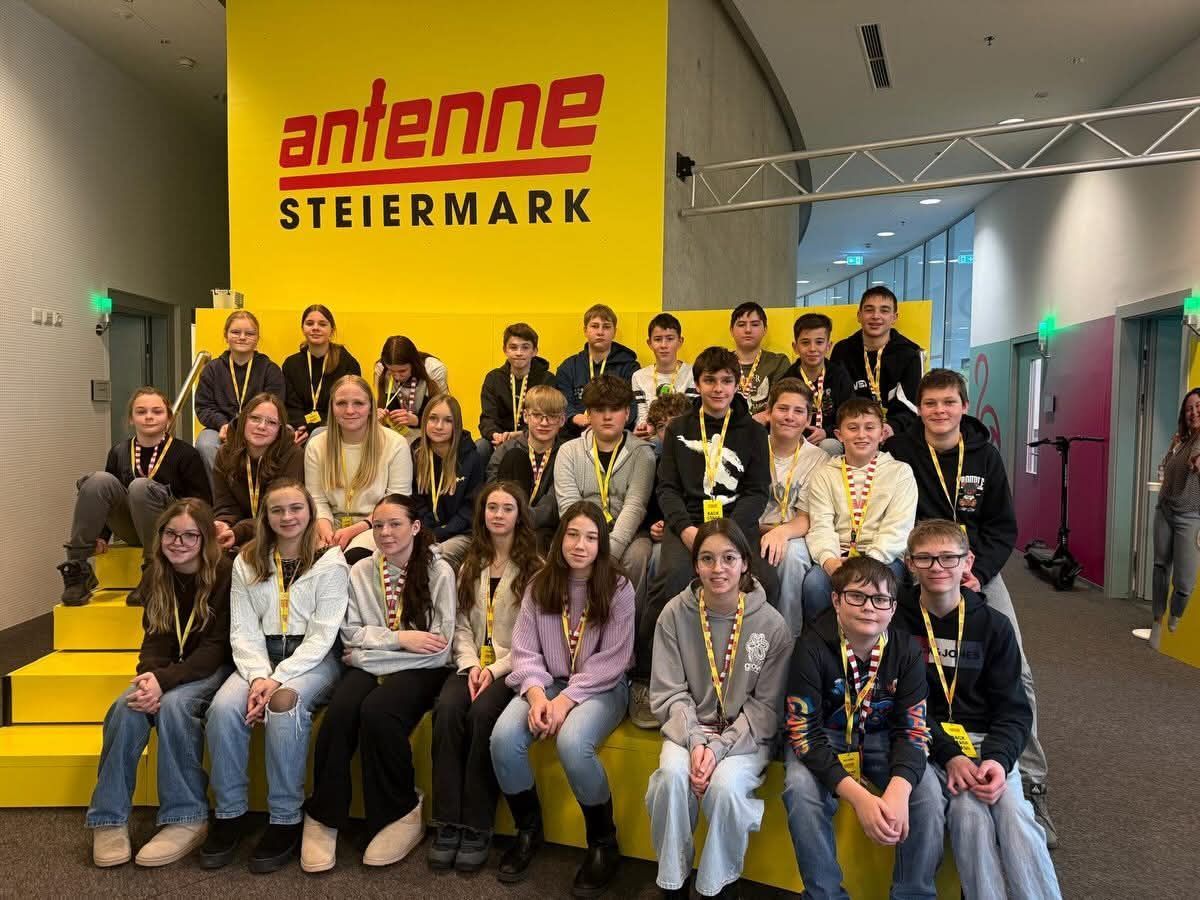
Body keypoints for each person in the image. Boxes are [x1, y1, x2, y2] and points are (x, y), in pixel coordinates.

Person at [886, 368, 1056, 848]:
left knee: (1016, 664)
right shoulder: (899, 453)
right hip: (917, 565)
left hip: (976, 568)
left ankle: (1029, 777)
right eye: (931, 403)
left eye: (948, 402)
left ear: (964, 406)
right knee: (895, 649)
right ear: (919, 409)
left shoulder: (986, 456)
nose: (939, 411)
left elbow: (1003, 527)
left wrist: (978, 573)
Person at [898, 521, 1061, 899]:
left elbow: (1015, 711)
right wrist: (951, 755)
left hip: (988, 745)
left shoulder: (994, 626)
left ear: (967, 561)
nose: (937, 567)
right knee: (968, 816)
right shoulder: (899, 624)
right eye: (925, 558)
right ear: (910, 564)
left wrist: (998, 761)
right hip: (931, 743)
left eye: (949, 557)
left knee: (1015, 816)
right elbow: (904, 705)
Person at [301, 494, 456, 871]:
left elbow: (439, 647)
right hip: (383, 661)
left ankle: (400, 810)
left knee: (378, 712)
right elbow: (350, 635)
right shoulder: (360, 571)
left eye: (396, 524)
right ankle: (323, 815)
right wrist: (401, 639)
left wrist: (372, 650)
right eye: (379, 525)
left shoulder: (439, 571)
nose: (386, 533)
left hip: (423, 670)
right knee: (340, 713)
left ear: (416, 528)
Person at [202, 479, 349, 873]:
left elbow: (323, 634)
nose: (287, 517)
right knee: (221, 709)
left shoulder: (330, 560)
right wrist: (257, 677)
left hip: (312, 658)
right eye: (277, 510)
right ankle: (230, 814)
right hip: (259, 657)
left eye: (296, 509)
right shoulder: (247, 560)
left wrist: (277, 679)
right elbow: (243, 630)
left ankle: (285, 818)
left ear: (309, 512)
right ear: (265, 516)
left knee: (284, 704)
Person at [490, 501, 635, 895]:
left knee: (573, 743)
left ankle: (604, 842)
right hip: (547, 683)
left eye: (590, 537)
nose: (579, 544)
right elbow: (524, 650)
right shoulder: (540, 583)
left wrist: (563, 702)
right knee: (503, 739)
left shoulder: (618, 587)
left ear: (601, 544)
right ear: (559, 539)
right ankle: (527, 830)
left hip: (600, 687)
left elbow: (613, 661)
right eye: (572, 534)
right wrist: (537, 694)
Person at [644, 519, 791, 899]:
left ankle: (717, 885)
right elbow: (669, 691)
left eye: (728, 558)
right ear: (695, 566)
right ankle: (673, 882)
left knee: (725, 788)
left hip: (744, 736)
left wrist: (718, 747)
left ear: (745, 562)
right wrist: (696, 742)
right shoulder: (674, 615)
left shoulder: (771, 625)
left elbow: (765, 707)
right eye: (707, 559)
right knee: (670, 778)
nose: (717, 568)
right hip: (687, 728)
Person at [782, 556, 942, 900]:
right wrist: (860, 798)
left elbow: (913, 729)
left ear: (893, 607)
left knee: (927, 791)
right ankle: (825, 895)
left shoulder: (907, 652)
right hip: (825, 737)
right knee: (799, 788)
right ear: (836, 600)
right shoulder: (810, 647)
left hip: (883, 737)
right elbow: (802, 733)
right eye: (857, 596)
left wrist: (898, 791)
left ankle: (913, 894)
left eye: (880, 599)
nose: (869, 608)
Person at [631, 347, 775, 729]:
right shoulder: (679, 428)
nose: (718, 388)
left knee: (767, 582)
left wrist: (728, 537)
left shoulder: (754, 432)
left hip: (735, 530)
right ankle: (645, 677)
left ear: (736, 384)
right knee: (671, 579)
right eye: (710, 380)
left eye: (726, 380)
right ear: (698, 384)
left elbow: (758, 491)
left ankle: (754, 682)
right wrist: (689, 531)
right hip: (690, 527)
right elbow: (667, 489)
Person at [86, 499, 233, 868]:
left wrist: (164, 682)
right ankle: (109, 818)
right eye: (170, 533)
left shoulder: (225, 573)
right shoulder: (156, 573)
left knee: (175, 705)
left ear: (204, 539)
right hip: (170, 668)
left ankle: (187, 816)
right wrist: (149, 678)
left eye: (189, 535)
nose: (178, 542)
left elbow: (216, 647)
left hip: (213, 667)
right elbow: (154, 638)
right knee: (126, 705)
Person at [427, 482, 541, 871]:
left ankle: (476, 825)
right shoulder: (469, 564)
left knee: (480, 718)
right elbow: (458, 623)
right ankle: (447, 821)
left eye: (506, 508)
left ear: (519, 515)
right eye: (491, 507)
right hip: (470, 663)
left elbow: (530, 639)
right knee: (445, 711)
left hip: (511, 667)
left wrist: (491, 670)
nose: (497, 514)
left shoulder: (534, 569)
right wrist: (472, 664)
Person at [58, 387, 210, 607]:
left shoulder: (186, 454)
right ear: (131, 418)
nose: (149, 416)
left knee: (139, 486)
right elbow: (107, 499)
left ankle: (154, 573)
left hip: (170, 531)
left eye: (157, 411)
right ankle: (78, 567)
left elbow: (201, 503)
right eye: (141, 412)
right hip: (131, 527)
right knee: (98, 480)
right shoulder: (119, 452)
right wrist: (102, 535)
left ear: (169, 417)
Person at [801, 398, 916, 625]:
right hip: (839, 556)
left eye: (869, 427)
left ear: (882, 433)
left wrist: (868, 563)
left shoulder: (900, 472)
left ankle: (882, 649)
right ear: (839, 434)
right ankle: (824, 645)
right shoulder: (824, 474)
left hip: (884, 558)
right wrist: (829, 561)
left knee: (883, 585)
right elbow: (820, 525)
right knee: (814, 584)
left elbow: (898, 527)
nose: (861, 435)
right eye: (852, 428)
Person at [555, 375, 656, 591]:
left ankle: (630, 622)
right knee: (559, 549)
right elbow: (568, 507)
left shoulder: (643, 454)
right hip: (580, 532)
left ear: (627, 413)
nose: (607, 417)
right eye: (599, 410)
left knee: (639, 555)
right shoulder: (568, 452)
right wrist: (588, 544)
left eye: (615, 409)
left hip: (627, 534)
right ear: (588, 414)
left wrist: (608, 553)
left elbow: (635, 506)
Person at [305, 374, 413, 565]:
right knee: (315, 561)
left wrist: (353, 531)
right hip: (329, 524)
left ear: (371, 407)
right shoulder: (316, 446)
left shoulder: (395, 444)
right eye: (341, 403)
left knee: (351, 560)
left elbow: (398, 503)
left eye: (358, 403)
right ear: (331, 407)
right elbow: (316, 499)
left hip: (376, 526)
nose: (349, 410)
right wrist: (326, 531)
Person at [758, 379, 829, 637]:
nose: (789, 417)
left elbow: (808, 517)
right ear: (768, 411)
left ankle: (787, 639)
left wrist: (781, 532)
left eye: (798, 411)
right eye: (782, 409)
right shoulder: (752, 448)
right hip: (752, 529)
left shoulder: (819, 459)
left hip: (794, 533)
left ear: (809, 417)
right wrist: (768, 530)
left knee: (792, 556)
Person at [195, 310, 286, 473]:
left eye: (249, 333)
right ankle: (218, 495)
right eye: (236, 332)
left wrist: (248, 426)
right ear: (226, 335)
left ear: (257, 338)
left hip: (259, 426)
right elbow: (204, 406)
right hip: (221, 427)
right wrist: (223, 424)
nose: (242, 337)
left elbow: (276, 406)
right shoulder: (212, 369)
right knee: (205, 443)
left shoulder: (270, 370)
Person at [212, 393, 304, 553]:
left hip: (279, 532)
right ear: (243, 420)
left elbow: (279, 512)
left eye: (271, 422)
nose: (261, 426)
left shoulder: (293, 455)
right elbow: (225, 505)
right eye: (255, 418)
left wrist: (239, 532)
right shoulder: (225, 453)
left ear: (279, 429)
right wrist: (223, 524)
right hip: (238, 533)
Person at [830, 286, 923, 438]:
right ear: (859, 315)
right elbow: (837, 399)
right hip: (850, 432)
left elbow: (910, 404)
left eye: (884, 310)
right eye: (869, 310)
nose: (876, 316)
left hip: (894, 433)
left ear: (894, 317)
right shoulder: (842, 351)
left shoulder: (909, 354)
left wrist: (891, 427)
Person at [1149, 387, 1200, 647]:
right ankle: (1157, 619)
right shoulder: (1181, 439)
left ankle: (1176, 615)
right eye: (1190, 408)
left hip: (1190, 516)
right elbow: (1166, 469)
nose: (1194, 412)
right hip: (1165, 510)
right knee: (1160, 566)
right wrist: (1173, 448)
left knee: (1184, 583)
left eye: (1198, 407)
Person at [411, 394, 483, 569]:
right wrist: (428, 531)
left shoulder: (472, 458)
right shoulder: (416, 454)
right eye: (433, 419)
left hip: (461, 534)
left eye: (447, 421)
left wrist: (444, 531)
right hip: (423, 531)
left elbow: (470, 508)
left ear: (456, 425)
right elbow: (415, 501)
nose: (439, 426)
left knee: (435, 560)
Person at [494, 384, 568, 549]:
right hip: (503, 525)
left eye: (552, 416)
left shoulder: (567, 454)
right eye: (537, 415)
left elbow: (552, 506)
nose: (544, 422)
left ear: (562, 420)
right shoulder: (505, 450)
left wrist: (519, 518)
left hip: (544, 530)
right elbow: (490, 492)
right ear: (526, 416)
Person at [280, 304, 362, 444]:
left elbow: (349, 405)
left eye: (322, 324)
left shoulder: (348, 363)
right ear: (303, 328)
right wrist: (301, 428)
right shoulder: (291, 364)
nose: (315, 328)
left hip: (335, 429)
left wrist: (316, 428)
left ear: (332, 330)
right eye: (309, 323)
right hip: (300, 429)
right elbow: (290, 405)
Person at [555, 303, 640, 438]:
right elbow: (561, 401)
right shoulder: (568, 367)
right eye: (594, 326)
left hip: (616, 435)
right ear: (585, 330)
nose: (600, 332)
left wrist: (611, 422)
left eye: (606, 327)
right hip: (575, 435)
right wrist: (573, 417)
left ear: (614, 332)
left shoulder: (629, 367)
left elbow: (632, 404)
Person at [477, 322, 556, 464]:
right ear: (505, 350)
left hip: (534, 438)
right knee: (480, 446)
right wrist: (496, 435)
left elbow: (550, 418)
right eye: (513, 347)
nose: (519, 353)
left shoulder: (547, 379)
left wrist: (521, 435)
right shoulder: (493, 378)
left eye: (525, 347)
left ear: (534, 351)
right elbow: (487, 418)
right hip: (500, 439)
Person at [782, 312, 854, 454]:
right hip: (796, 438)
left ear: (828, 346)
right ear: (795, 347)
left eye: (819, 342)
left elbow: (849, 415)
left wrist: (826, 432)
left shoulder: (840, 376)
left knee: (829, 445)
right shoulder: (788, 380)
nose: (813, 349)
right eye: (805, 343)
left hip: (830, 439)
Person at [632, 313, 697, 438]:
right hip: (651, 437)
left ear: (680, 341)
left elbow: (689, 415)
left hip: (682, 435)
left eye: (670, 339)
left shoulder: (693, 373)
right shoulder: (638, 376)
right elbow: (642, 415)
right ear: (649, 343)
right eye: (657, 339)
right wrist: (643, 428)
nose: (663, 345)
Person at [374, 335, 449, 441]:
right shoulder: (381, 370)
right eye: (391, 371)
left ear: (414, 364)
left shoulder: (434, 370)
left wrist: (417, 420)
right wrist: (378, 418)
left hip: (428, 436)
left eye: (402, 371)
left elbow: (445, 415)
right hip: (396, 438)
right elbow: (384, 421)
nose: (397, 377)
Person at [729, 302, 791, 425]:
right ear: (731, 330)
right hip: (727, 428)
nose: (748, 330)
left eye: (755, 324)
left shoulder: (778, 362)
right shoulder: (721, 361)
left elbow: (782, 402)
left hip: (766, 431)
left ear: (765, 329)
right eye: (741, 325)